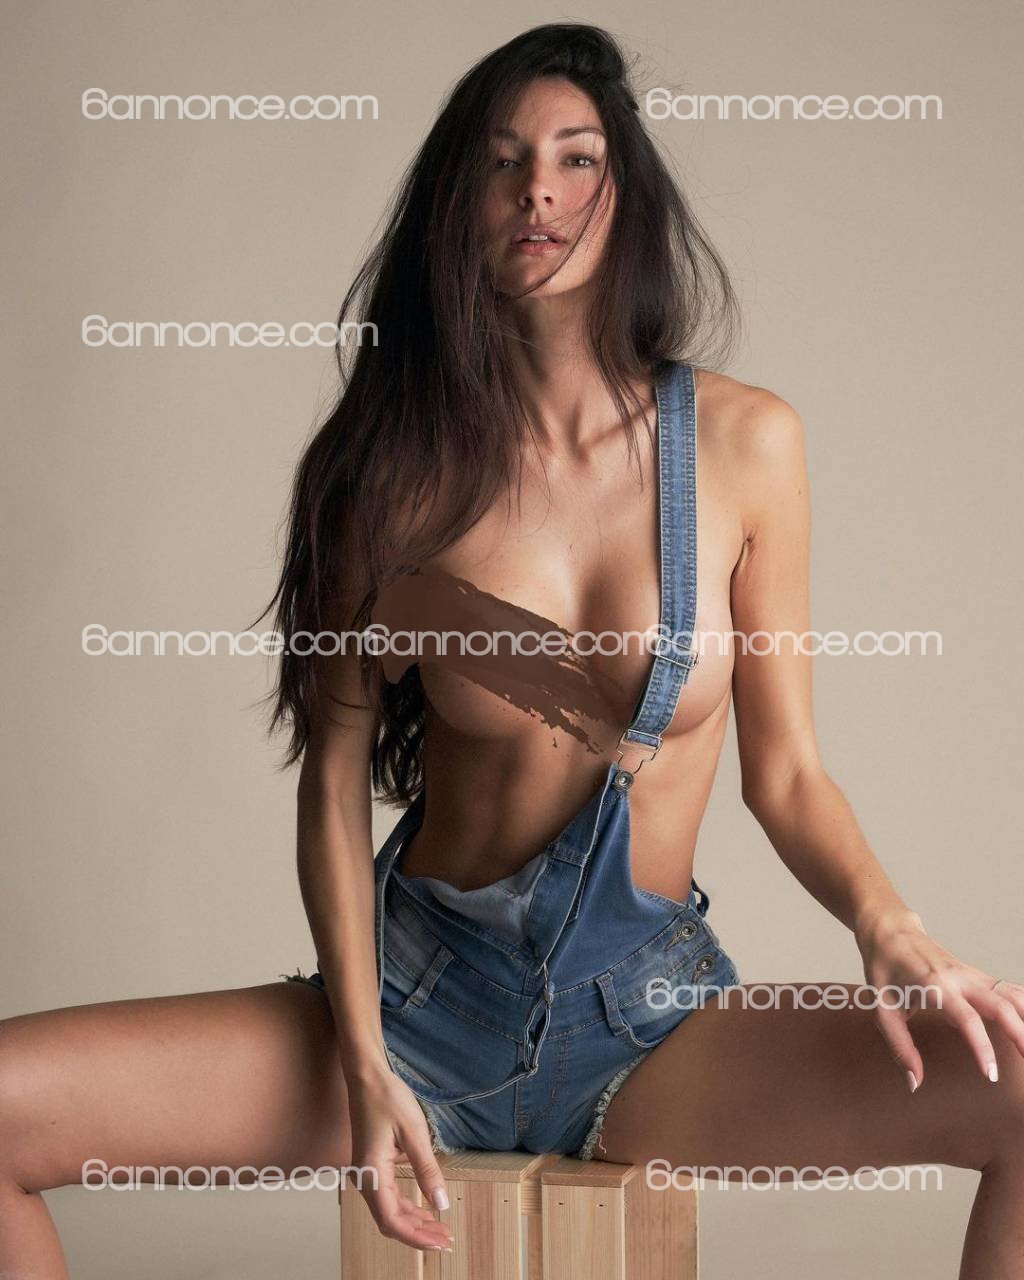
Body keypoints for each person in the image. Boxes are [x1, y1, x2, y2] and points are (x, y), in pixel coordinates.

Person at [2, 23, 1022, 1275]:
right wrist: (364, 1062)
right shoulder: (387, 471)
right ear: (460, 202)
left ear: (624, 193)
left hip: (648, 1029)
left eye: (575, 158)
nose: (537, 190)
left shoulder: (747, 445)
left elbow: (789, 772)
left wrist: (887, 923)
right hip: (412, 1011)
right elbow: (332, 777)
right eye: (502, 163)